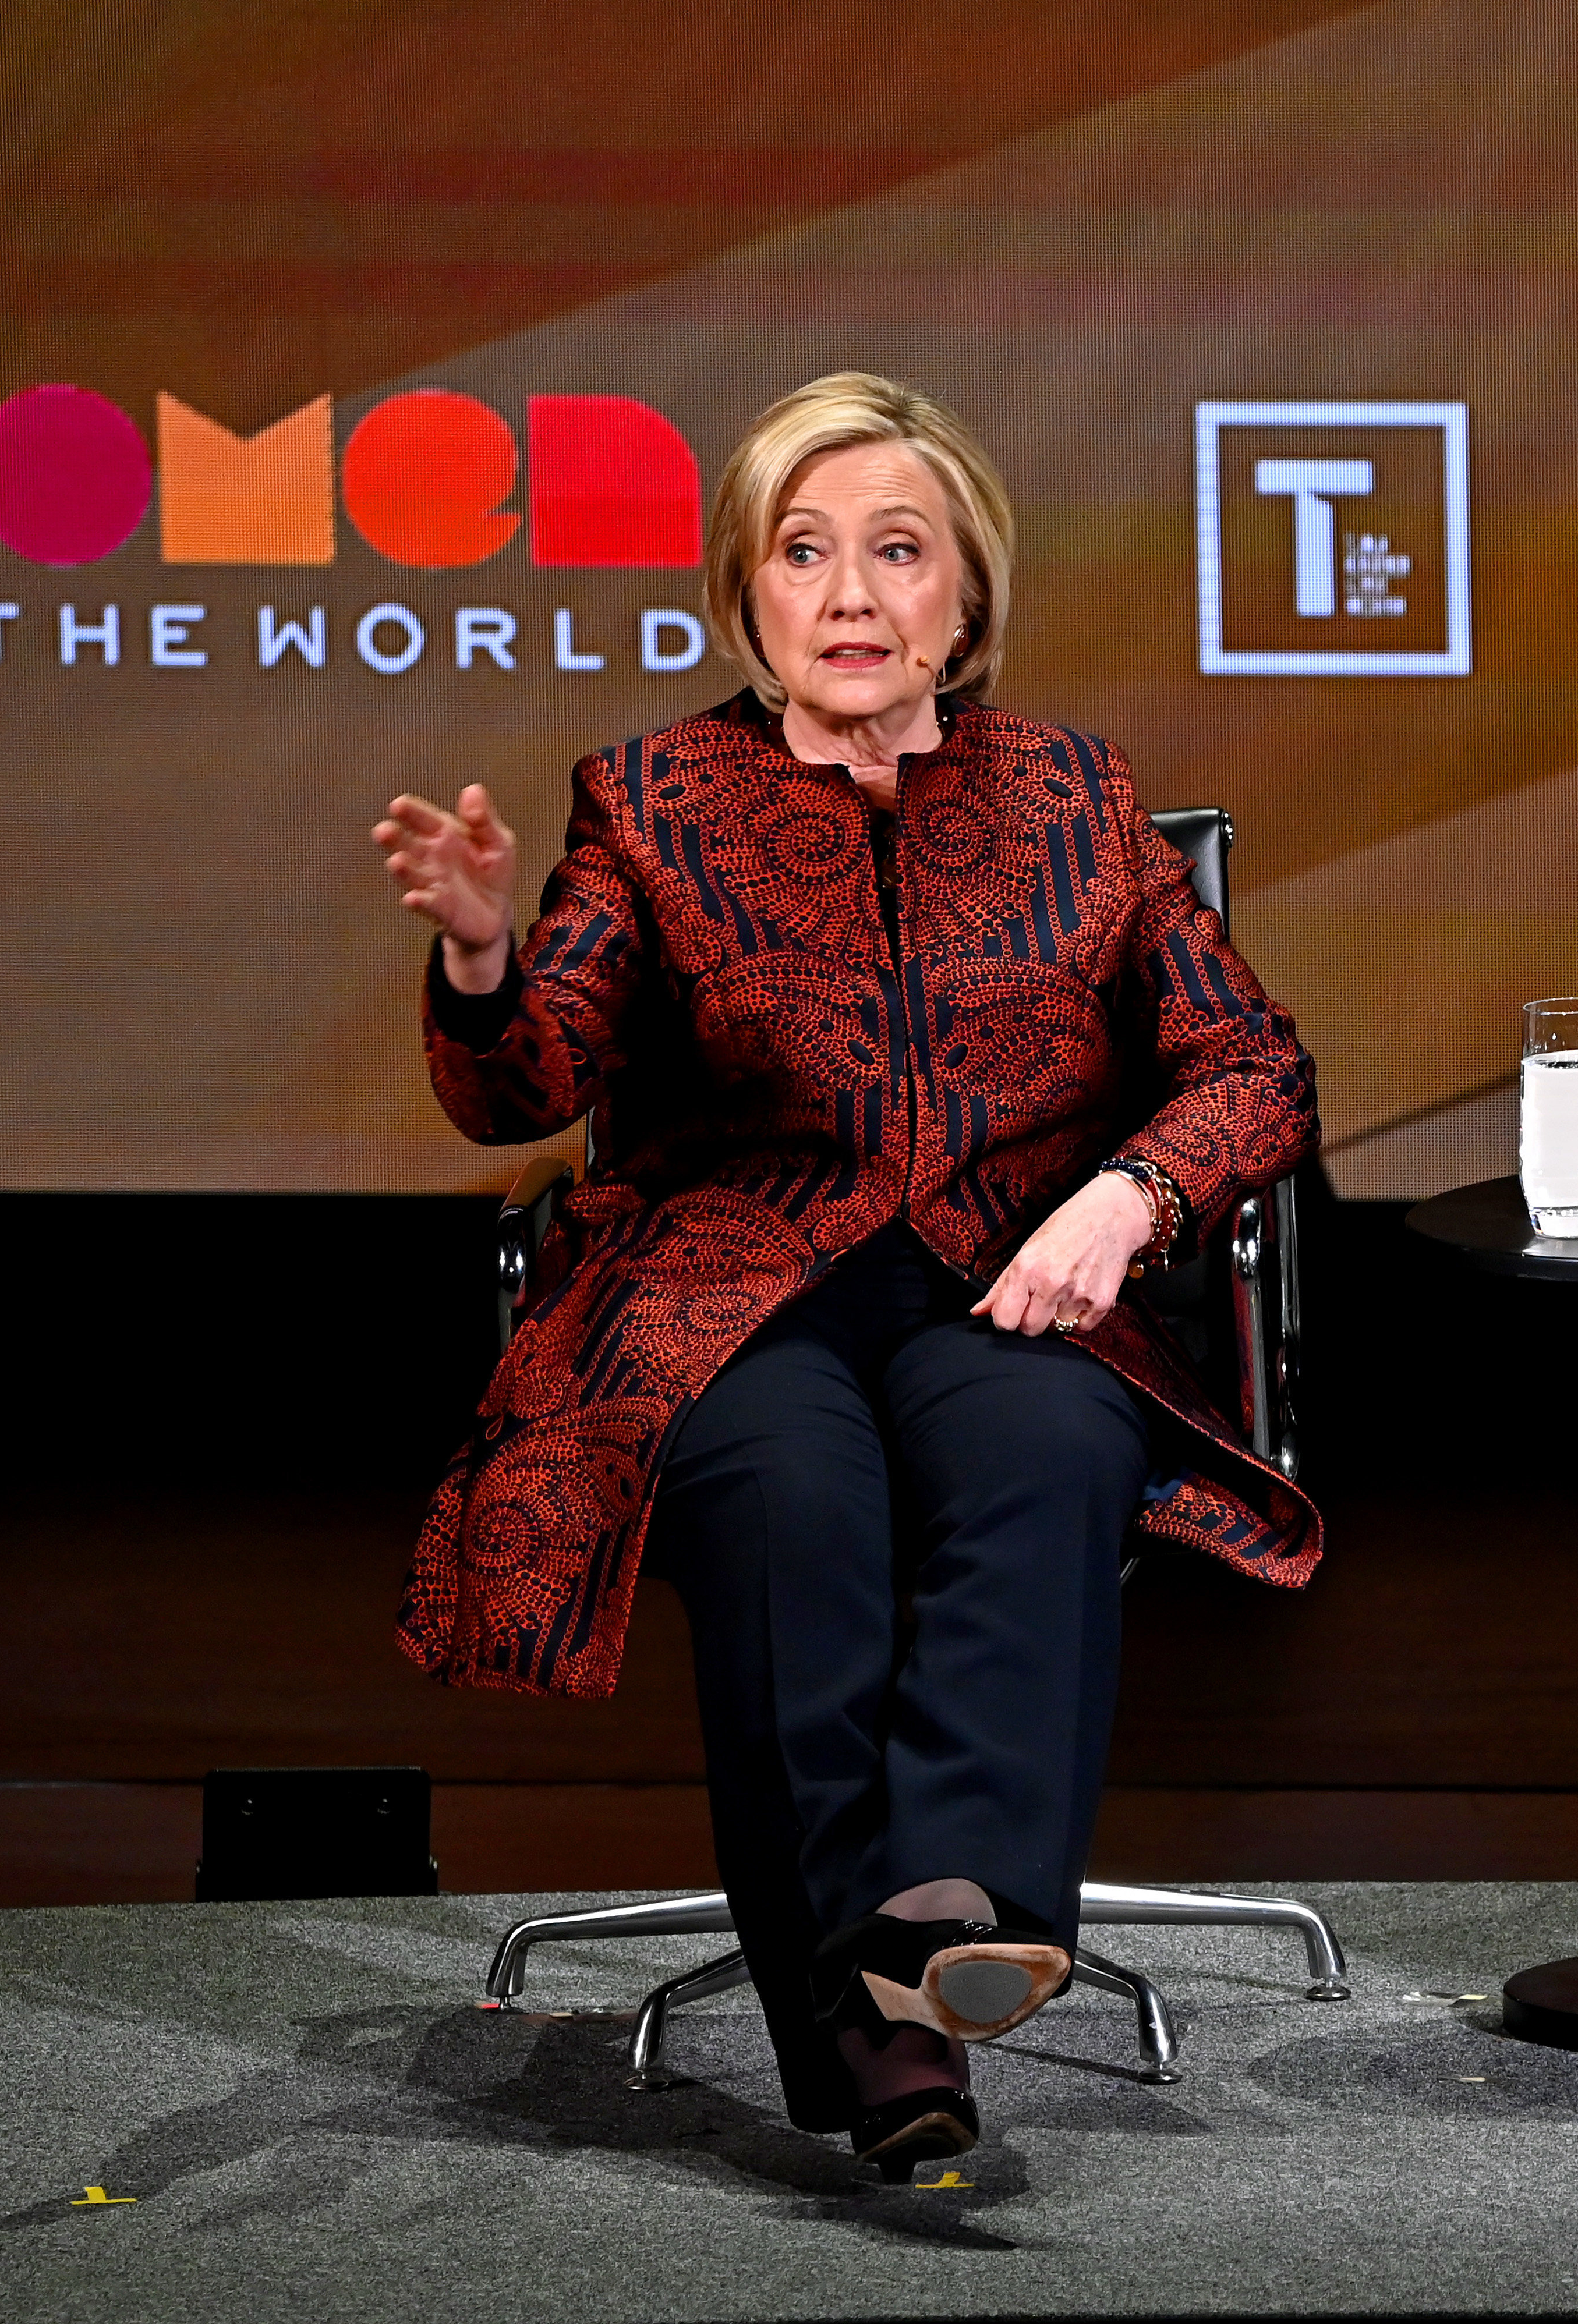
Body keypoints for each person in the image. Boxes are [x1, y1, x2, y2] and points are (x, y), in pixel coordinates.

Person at [371, 371, 1319, 2178]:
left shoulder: (1075, 800)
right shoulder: (648, 804)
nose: (853, 596)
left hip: (1002, 1280)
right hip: (732, 1289)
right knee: (797, 1501)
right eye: (805, 555)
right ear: (748, 595)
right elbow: (528, 1083)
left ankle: (926, 1943)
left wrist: (1130, 1196)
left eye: (899, 551)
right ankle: (880, 2052)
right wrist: (491, 960)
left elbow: (1252, 1065)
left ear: (968, 598)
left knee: (1046, 1458)